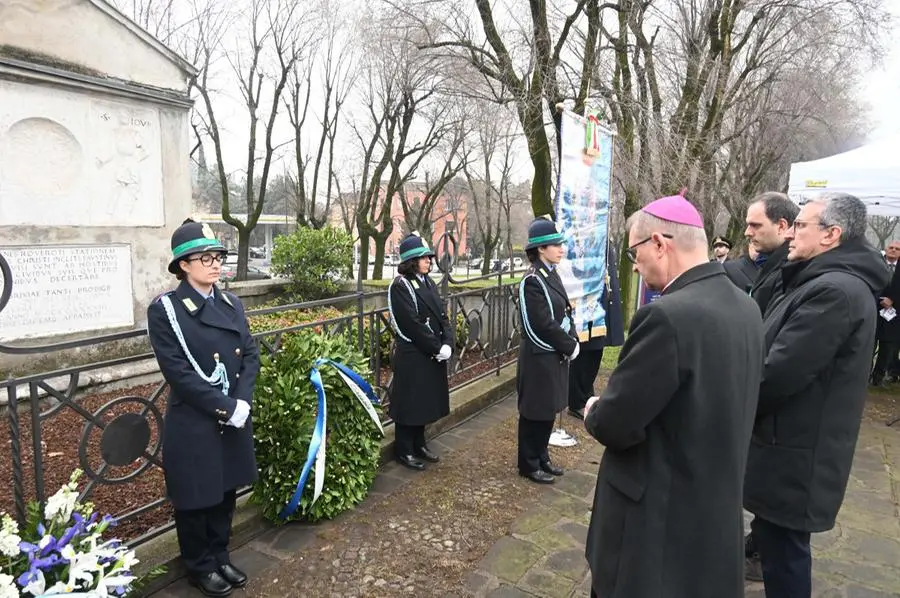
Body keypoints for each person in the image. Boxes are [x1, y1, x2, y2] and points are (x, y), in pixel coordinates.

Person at [583, 193, 764, 598]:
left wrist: (595, 409)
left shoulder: (667, 317)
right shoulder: (746, 307)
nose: (634, 264)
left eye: (635, 252)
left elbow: (618, 422)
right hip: (712, 514)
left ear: (659, 244)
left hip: (655, 531)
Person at [743, 193, 889, 598]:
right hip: (788, 445)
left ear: (831, 234)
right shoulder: (817, 279)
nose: (792, 233)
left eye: (802, 225)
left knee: (785, 556)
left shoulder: (834, 292)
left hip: (796, 453)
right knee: (774, 541)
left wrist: (730, 402)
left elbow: (779, 373)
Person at [147, 219, 260, 597]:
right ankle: (199, 565)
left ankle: (221, 555)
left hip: (232, 413)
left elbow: (251, 353)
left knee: (225, 491)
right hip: (197, 418)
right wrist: (226, 406)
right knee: (197, 497)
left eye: (218, 256)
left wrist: (242, 400)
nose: (215, 264)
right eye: (205, 257)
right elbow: (179, 373)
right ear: (183, 264)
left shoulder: (230, 302)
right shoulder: (167, 310)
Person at [740, 191, 799, 579]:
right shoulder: (773, 266)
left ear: (783, 226)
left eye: (755, 225)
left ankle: (760, 550)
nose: (748, 232)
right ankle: (757, 541)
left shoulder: (786, 272)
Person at [516, 216, 579, 484]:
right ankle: (528, 463)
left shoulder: (551, 274)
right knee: (534, 412)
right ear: (541, 248)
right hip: (539, 357)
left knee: (548, 411)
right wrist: (568, 345)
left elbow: (565, 311)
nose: (561, 248)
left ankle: (542, 457)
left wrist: (572, 339)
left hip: (553, 355)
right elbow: (540, 324)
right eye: (555, 244)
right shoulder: (533, 280)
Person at [387, 233, 453, 471]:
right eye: (424, 258)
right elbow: (412, 325)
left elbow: (442, 315)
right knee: (410, 404)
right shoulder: (401, 286)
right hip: (414, 354)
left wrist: (448, 342)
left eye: (429, 257)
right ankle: (404, 449)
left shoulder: (428, 282)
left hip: (431, 352)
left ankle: (419, 443)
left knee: (424, 403)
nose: (429, 261)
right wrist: (436, 347)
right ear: (412, 261)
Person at [566, 244, 624, 420]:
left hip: (601, 301)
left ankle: (586, 392)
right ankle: (576, 400)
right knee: (584, 352)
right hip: (586, 301)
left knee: (596, 350)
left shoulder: (603, 239)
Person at [871, 240, 900, 385]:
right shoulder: (876, 263)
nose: (893, 250)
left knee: (887, 348)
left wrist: (893, 299)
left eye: (897, 249)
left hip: (893, 314)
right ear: (886, 249)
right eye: (891, 247)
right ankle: (864, 376)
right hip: (873, 310)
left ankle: (878, 378)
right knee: (869, 345)